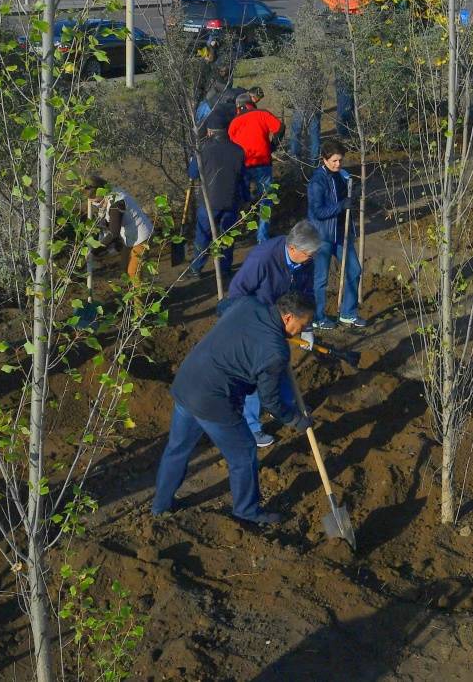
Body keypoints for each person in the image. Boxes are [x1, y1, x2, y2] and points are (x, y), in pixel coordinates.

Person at [150, 293, 315, 523]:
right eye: (302, 325)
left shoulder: (247, 304)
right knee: (244, 452)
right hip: (213, 400)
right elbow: (270, 401)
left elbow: (222, 307)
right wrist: (295, 419)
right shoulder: (276, 352)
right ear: (288, 318)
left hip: (187, 381)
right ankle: (247, 511)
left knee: (177, 448)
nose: (301, 331)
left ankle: (160, 506)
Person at [221, 221, 322, 446]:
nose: (312, 258)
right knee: (255, 376)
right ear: (293, 249)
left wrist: (306, 327)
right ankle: (252, 427)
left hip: (283, 321)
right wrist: (251, 325)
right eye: (309, 254)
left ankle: (285, 406)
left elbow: (306, 293)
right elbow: (237, 293)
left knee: (280, 363)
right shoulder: (263, 258)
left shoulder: (306, 261)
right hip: (255, 323)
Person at [307, 138, 365, 329]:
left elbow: (347, 191)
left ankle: (348, 313)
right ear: (324, 159)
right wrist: (341, 205)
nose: (338, 164)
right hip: (322, 236)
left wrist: (353, 192)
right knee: (321, 279)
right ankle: (318, 317)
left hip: (342, 232)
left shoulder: (342, 175)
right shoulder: (317, 182)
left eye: (340, 160)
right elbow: (318, 212)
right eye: (334, 161)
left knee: (354, 270)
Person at [188, 113, 247, 278]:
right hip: (231, 201)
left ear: (209, 132)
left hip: (209, 202)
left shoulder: (203, 150)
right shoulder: (238, 150)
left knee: (203, 235)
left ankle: (196, 269)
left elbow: (192, 174)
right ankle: (225, 269)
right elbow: (243, 177)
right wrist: (246, 199)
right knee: (227, 237)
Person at [227, 89, 282, 243]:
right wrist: (272, 146)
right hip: (263, 164)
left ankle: (242, 231)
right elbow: (280, 128)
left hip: (243, 166)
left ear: (238, 107)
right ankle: (262, 236)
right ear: (252, 104)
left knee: (242, 200)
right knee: (265, 200)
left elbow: (230, 145)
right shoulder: (262, 114)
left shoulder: (234, 123)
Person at [84, 175, 154, 284]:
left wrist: (94, 252)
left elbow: (113, 233)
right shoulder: (108, 192)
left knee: (134, 273)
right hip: (129, 236)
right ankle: (132, 297)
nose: (95, 204)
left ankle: (140, 299)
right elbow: (109, 224)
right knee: (124, 268)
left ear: (102, 193)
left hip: (142, 237)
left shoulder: (117, 203)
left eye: (96, 201)